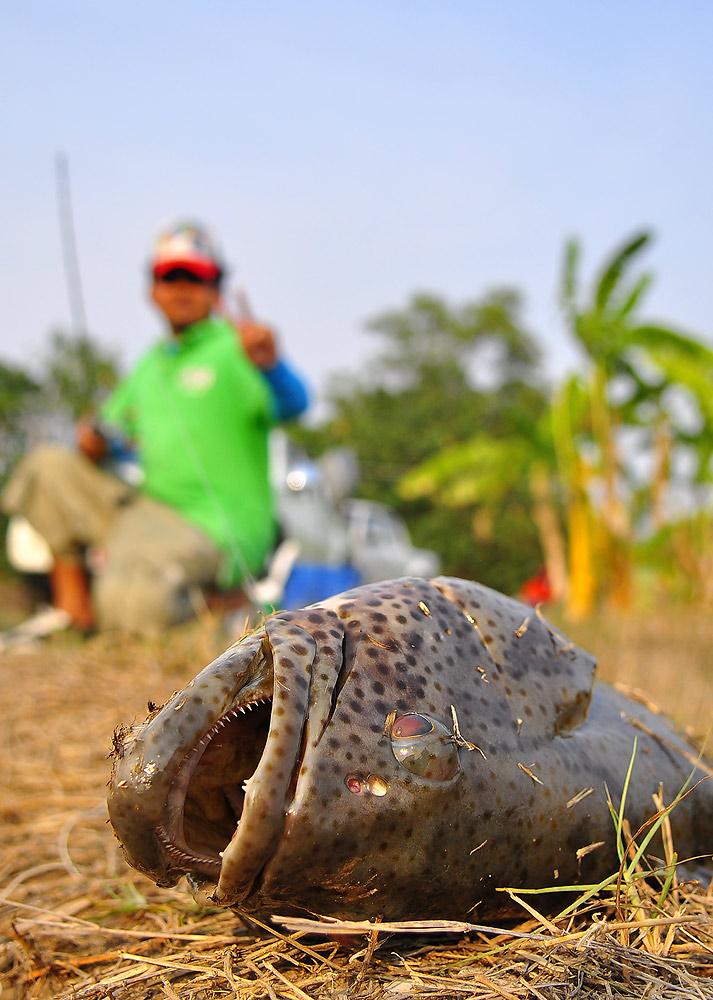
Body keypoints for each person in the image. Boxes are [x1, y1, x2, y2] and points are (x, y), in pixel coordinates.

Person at [2, 220, 309, 634]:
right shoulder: (150, 364)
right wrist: (95, 442)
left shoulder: (239, 347)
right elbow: (111, 434)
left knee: (131, 607)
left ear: (216, 288)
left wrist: (272, 366)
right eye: (170, 276)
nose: (181, 287)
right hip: (145, 511)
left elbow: (295, 405)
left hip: (211, 527)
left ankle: (226, 606)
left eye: (196, 277)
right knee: (47, 466)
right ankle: (72, 609)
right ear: (153, 290)